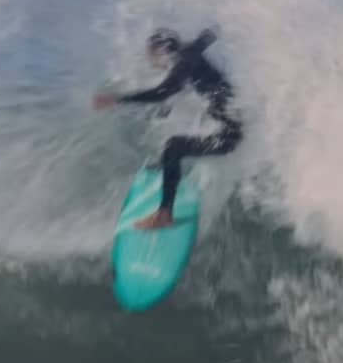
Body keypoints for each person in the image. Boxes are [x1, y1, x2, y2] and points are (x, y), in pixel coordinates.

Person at [94, 27, 242, 229]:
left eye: (151, 54)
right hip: (233, 122)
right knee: (176, 127)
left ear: (162, 49)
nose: (151, 60)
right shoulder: (190, 50)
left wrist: (117, 99)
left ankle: (164, 214)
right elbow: (208, 36)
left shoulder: (182, 63)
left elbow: (162, 93)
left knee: (173, 147)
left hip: (230, 134)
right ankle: (168, 168)